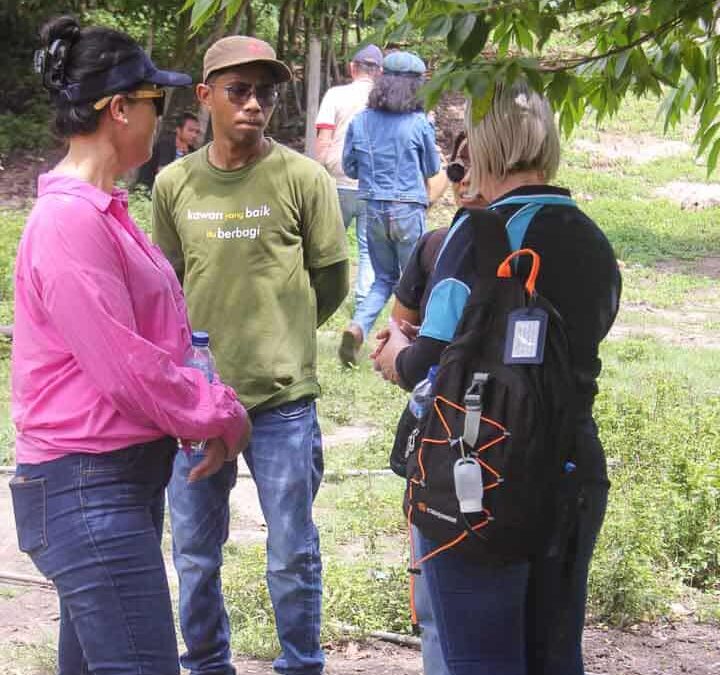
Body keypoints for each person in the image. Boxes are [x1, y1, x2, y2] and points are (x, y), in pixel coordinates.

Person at [10, 16, 250, 675]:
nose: (163, 120)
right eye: (154, 103)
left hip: (114, 482)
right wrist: (220, 411)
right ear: (119, 109)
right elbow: (129, 370)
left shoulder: (102, 210)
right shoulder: (68, 222)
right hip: (87, 487)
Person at [373, 82, 621, 675]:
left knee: (477, 660)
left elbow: (423, 362)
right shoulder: (592, 238)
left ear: (482, 147)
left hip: (480, 476)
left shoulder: (478, 231)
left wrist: (394, 350)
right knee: (554, 657)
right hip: (572, 470)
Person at [152, 35, 348, 675]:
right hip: (198, 406)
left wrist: (285, 336)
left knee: (291, 550)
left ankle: (301, 664)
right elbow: (168, 288)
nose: (254, 104)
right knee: (195, 553)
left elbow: (331, 278)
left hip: (282, 405)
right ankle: (208, 663)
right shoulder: (175, 184)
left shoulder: (303, 177)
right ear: (205, 97)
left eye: (265, 91)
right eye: (238, 91)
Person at [339, 51, 441, 367]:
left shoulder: (360, 121)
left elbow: (350, 168)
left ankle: (357, 327)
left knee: (383, 278)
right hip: (408, 209)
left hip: (372, 207)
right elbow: (432, 166)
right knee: (420, 279)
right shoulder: (419, 123)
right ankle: (417, 345)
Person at [315, 44, 383, 312]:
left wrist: (317, 175)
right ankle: (363, 305)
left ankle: (320, 297)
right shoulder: (384, 98)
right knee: (368, 248)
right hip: (372, 183)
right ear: (379, 71)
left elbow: (324, 139)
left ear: (351, 68)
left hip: (336, 181)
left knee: (327, 243)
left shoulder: (336, 95)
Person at [137, 111, 202, 188]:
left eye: (197, 132)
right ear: (178, 130)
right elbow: (163, 174)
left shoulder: (192, 152)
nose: (194, 135)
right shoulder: (166, 144)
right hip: (149, 191)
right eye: (190, 130)